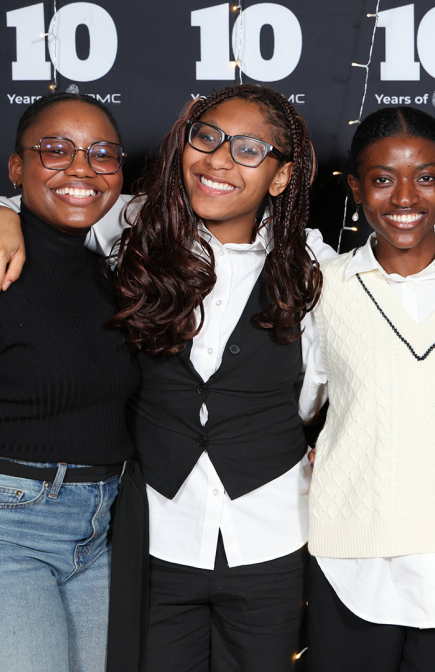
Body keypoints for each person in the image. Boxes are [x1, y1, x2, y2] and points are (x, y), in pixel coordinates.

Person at [0, 88, 435, 672]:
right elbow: (59, 204)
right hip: (154, 536)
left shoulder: (314, 268)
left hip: (271, 538)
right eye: (206, 139)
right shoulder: (129, 229)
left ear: (280, 178)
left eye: (250, 149)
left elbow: (377, 299)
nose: (221, 159)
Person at [305, 106, 435, 672]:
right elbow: (296, 406)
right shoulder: (325, 289)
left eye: (424, 177)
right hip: (352, 559)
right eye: (382, 179)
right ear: (354, 188)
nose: (405, 197)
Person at [0, 94, 139, 671]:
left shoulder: (112, 269)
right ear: (17, 168)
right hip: (12, 525)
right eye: (55, 150)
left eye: (101, 153)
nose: (82, 169)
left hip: (102, 530)